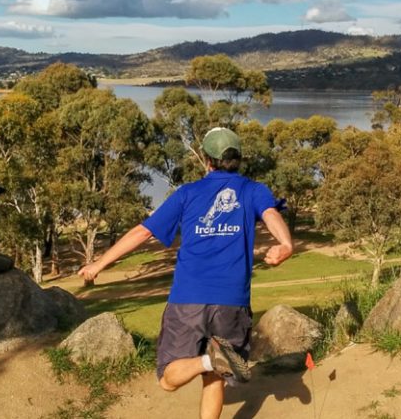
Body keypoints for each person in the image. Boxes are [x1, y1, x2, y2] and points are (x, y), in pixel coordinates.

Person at [78, 127, 294, 419]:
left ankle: (206, 360)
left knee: (168, 379)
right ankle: (212, 360)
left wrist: (98, 264)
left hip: (187, 299)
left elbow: (142, 232)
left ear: (207, 161)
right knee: (217, 375)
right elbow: (271, 214)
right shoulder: (253, 190)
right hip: (232, 300)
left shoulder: (187, 194)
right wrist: (285, 244)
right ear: (238, 159)